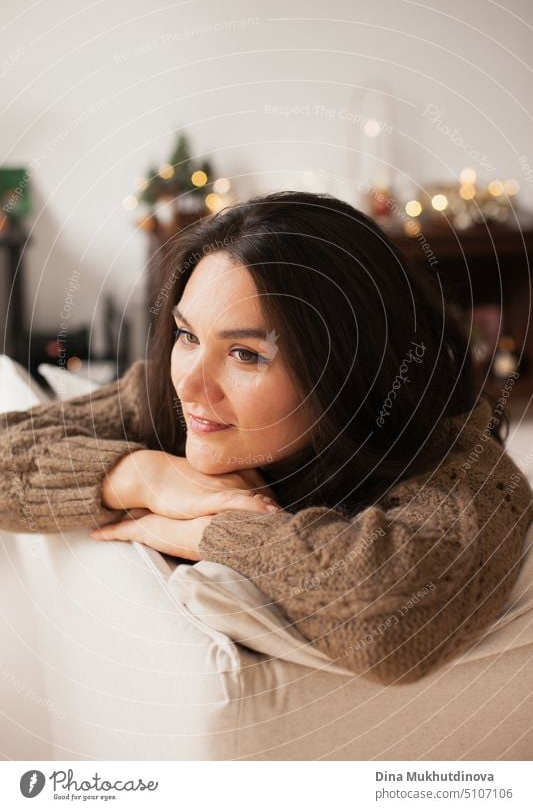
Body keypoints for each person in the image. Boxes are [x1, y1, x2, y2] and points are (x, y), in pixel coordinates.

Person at [1, 190, 532, 686]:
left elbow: (396, 623)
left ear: (349, 371)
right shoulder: (166, 394)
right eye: (188, 336)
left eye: (246, 354)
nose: (188, 382)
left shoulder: (460, 464)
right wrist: (146, 477)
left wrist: (219, 528)